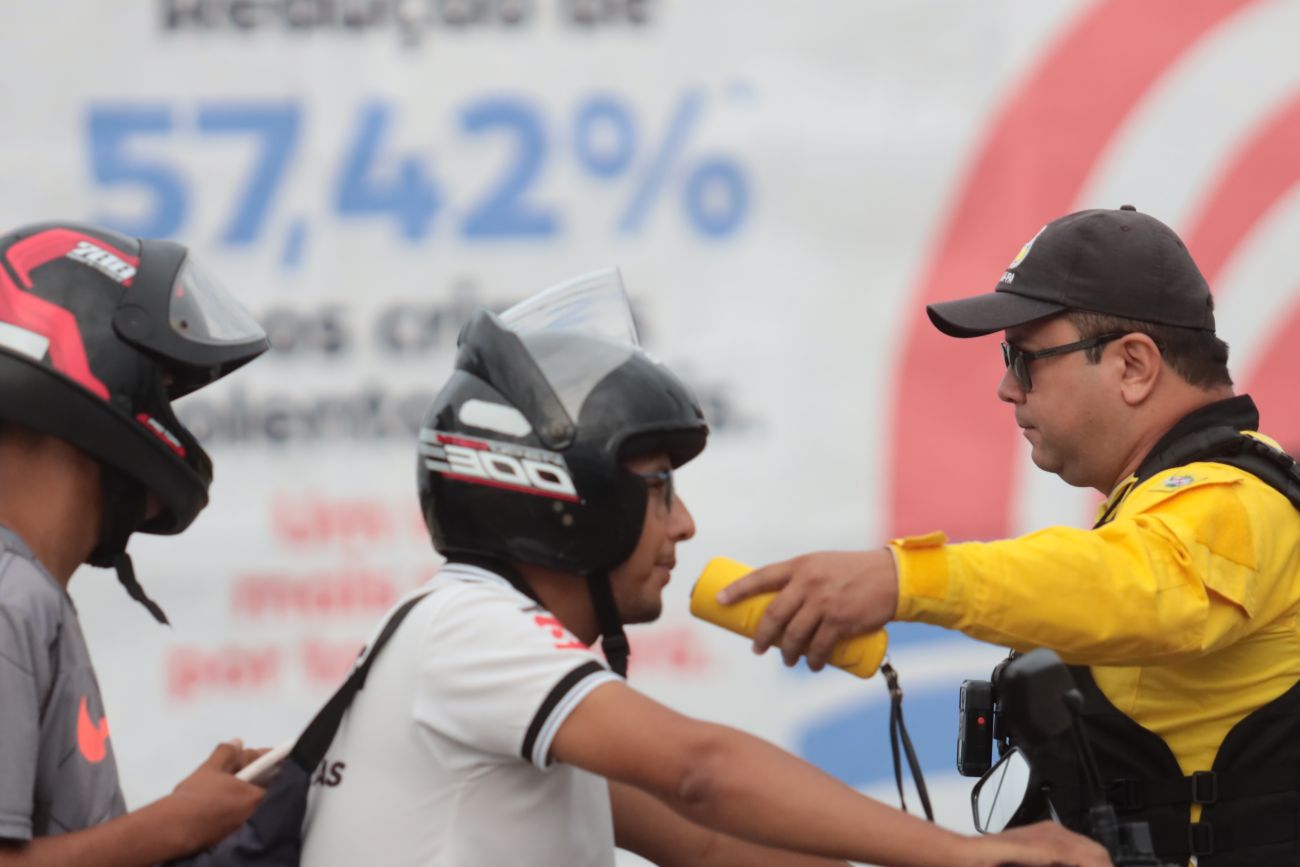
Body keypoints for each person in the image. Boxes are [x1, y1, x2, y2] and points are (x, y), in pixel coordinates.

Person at [297, 287, 1107, 867]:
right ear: (564, 498)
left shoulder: (482, 653)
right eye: (659, 488)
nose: (683, 523)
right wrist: (964, 855)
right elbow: (700, 772)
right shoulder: (468, 628)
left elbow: (710, 844)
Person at [720, 205, 1300, 865]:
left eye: (1023, 359)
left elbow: (1133, 583)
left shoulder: (1230, 501)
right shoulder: (1174, 502)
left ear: (1133, 366)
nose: (1005, 388)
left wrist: (905, 578)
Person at [0, 222, 272, 865]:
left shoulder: (28, 589)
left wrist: (187, 814)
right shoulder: (9, 595)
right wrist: (176, 825)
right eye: (165, 389)